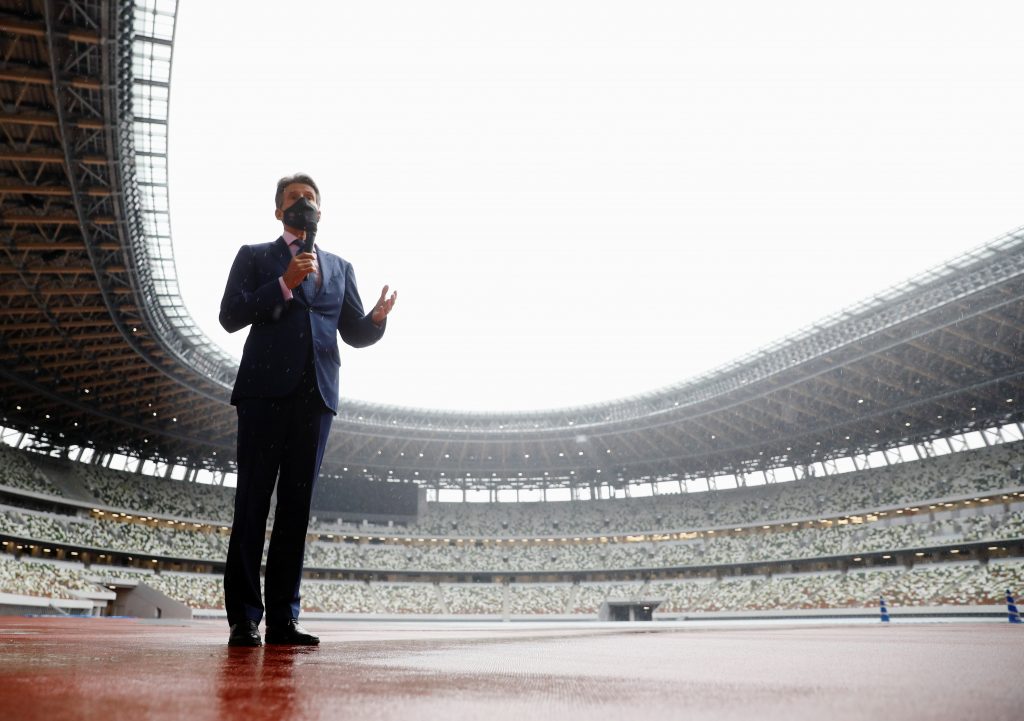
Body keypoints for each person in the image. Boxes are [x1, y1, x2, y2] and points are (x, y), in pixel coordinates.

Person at [219, 173, 396, 646]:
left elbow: (353, 332)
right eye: (294, 200)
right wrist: (281, 284)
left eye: (310, 200)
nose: (303, 206)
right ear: (278, 211)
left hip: (315, 398)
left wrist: (376, 321)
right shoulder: (255, 256)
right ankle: (243, 618)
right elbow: (230, 315)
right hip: (262, 394)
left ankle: (282, 618)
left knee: (296, 512)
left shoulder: (340, 268)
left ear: (322, 211)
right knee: (253, 504)